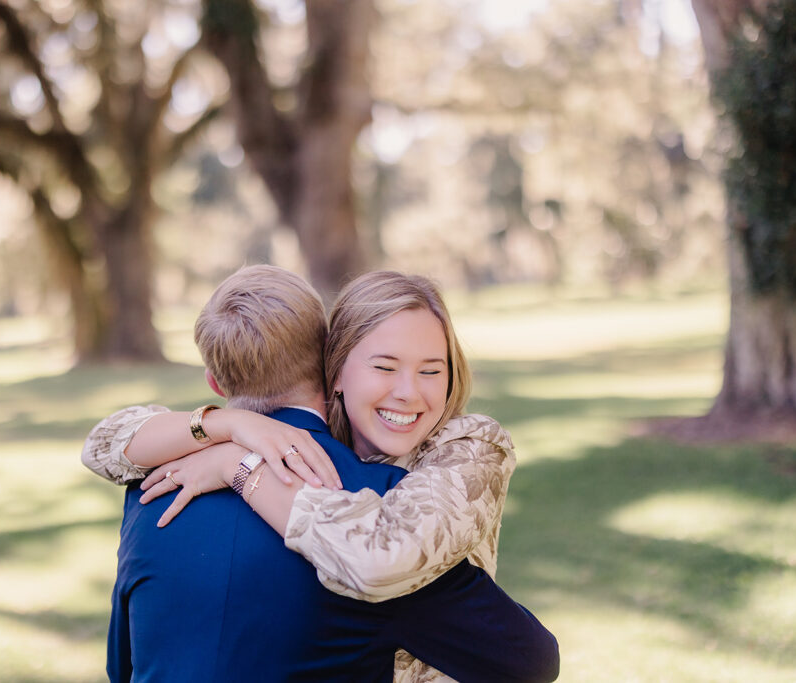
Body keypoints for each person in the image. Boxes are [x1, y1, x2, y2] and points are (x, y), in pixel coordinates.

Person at [84, 265, 559, 682]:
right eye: (385, 366)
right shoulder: (378, 508)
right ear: (331, 366)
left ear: (214, 382)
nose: (408, 393)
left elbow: (122, 667)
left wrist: (235, 459)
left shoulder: (156, 484)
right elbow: (525, 660)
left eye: (431, 370)